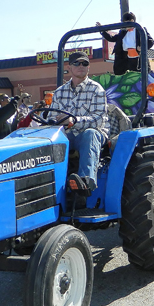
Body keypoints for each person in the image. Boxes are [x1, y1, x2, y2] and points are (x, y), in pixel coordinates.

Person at [48, 51, 109, 201]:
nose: (81, 66)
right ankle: (49, 183)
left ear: (89, 67)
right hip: (67, 134)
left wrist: (74, 120)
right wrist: (58, 121)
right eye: (77, 63)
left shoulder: (97, 90)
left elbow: (99, 119)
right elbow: (51, 117)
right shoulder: (59, 92)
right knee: (49, 139)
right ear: (69, 67)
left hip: (92, 133)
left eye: (85, 63)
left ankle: (85, 182)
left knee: (90, 134)